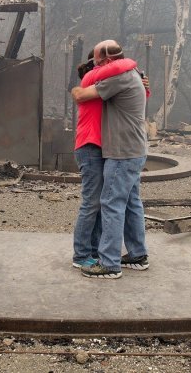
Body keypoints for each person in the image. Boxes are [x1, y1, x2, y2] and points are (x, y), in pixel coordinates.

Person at [72, 40, 149, 279]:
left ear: (105, 63)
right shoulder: (120, 75)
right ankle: (130, 254)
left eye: (97, 61)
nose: (96, 66)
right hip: (100, 146)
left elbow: (82, 93)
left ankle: (109, 262)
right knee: (117, 202)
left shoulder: (119, 77)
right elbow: (80, 93)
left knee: (111, 203)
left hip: (120, 149)